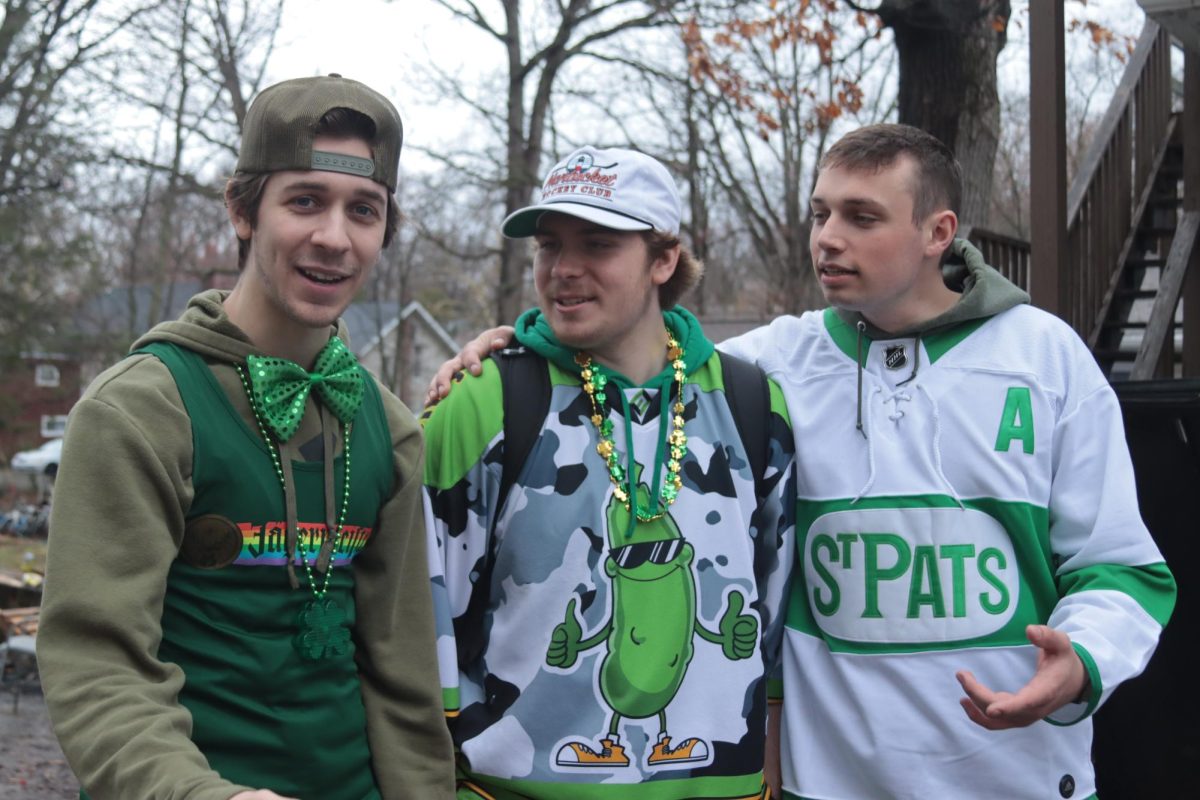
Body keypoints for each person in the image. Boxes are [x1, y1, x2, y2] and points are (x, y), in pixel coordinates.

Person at [428, 124, 1177, 799]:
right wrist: (526, 341)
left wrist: (1081, 659)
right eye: (820, 213)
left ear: (937, 232)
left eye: (862, 216)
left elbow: (1119, 565)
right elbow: (639, 358)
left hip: (1015, 774)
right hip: (830, 785)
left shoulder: (1046, 357)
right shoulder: (769, 368)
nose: (827, 238)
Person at [37, 74, 455, 800]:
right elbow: (98, 664)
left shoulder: (389, 431)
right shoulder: (140, 410)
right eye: (304, 201)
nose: (334, 237)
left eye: (364, 209)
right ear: (242, 210)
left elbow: (401, 676)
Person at [420, 145, 796, 799]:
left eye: (597, 244)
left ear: (664, 259)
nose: (564, 270)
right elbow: (424, 634)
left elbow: (776, 633)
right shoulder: (483, 403)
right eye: (549, 246)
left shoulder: (751, 403)